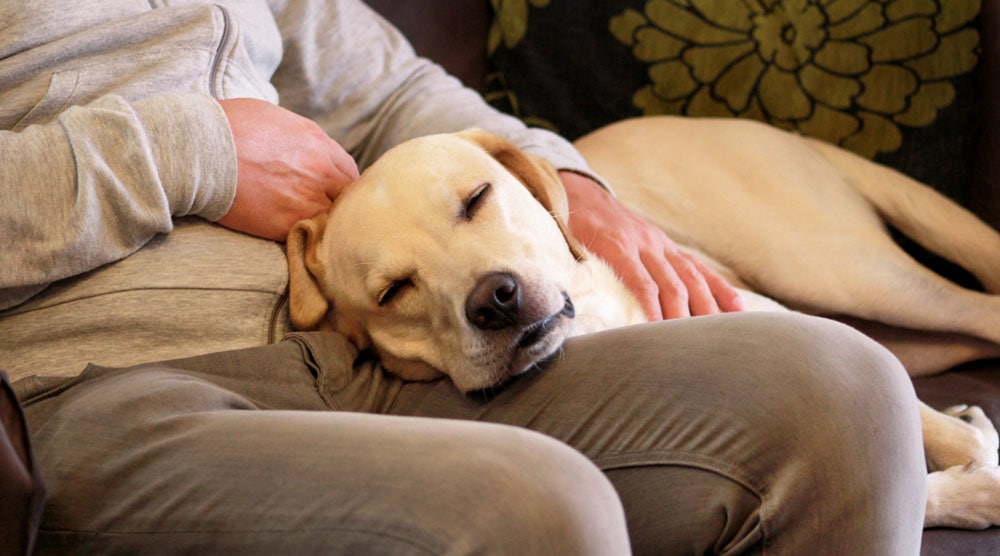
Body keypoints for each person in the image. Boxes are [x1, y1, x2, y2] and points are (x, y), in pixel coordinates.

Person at [0, 0, 926, 554]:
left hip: (373, 357)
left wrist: (563, 180)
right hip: (106, 398)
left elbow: (392, 97)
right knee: (528, 511)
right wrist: (193, 153)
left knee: (841, 391)